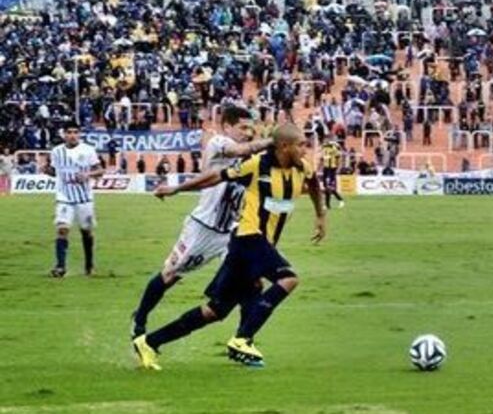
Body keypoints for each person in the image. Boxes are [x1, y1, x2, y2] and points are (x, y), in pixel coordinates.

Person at [133, 124, 326, 370]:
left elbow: (315, 185)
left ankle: (150, 342)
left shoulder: (302, 168)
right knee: (288, 278)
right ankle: (242, 340)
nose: (306, 149)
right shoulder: (257, 164)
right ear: (285, 146)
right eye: (301, 145)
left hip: (254, 245)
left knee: (215, 310)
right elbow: (216, 176)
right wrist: (176, 189)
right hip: (248, 237)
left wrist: (321, 216)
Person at [130, 106, 272, 338]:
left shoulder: (251, 157)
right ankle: (140, 317)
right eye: (242, 127)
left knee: (252, 281)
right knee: (171, 275)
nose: (247, 133)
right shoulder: (219, 143)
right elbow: (238, 150)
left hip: (231, 233)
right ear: (226, 126)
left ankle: (243, 341)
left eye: (250, 128)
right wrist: (270, 141)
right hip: (203, 228)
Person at [47, 121, 104, 277]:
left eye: (75, 132)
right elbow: (54, 171)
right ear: (64, 134)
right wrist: (47, 170)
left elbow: (100, 170)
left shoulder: (88, 150)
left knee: (86, 231)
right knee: (62, 229)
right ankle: (60, 267)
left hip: (84, 198)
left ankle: (89, 265)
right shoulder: (56, 151)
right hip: (64, 196)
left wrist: (87, 175)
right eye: (69, 132)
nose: (72, 135)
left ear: (79, 134)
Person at [320, 137, 345, 209]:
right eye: (325, 140)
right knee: (326, 187)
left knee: (330, 187)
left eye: (327, 140)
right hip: (325, 169)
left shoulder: (334, 148)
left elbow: (338, 158)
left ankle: (340, 200)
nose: (325, 141)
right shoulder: (324, 148)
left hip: (332, 169)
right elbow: (322, 159)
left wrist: (338, 167)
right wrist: (320, 167)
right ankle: (327, 205)